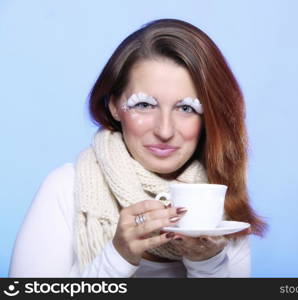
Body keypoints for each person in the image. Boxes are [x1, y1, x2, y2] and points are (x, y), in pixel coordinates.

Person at [9, 19, 266, 278]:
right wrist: (117, 257)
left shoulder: (220, 200)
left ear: (208, 117)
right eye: (144, 105)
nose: (164, 130)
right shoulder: (66, 187)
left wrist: (208, 263)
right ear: (114, 106)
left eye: (186, 108)